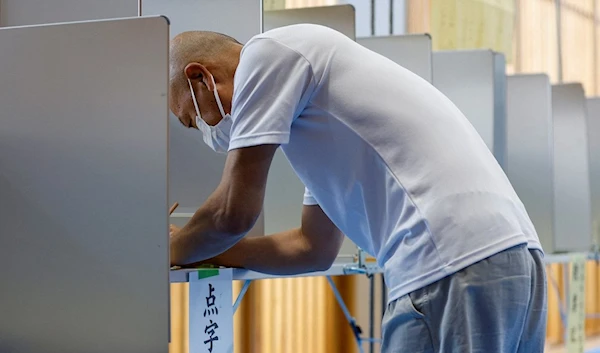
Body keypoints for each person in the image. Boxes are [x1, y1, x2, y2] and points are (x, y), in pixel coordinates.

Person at [167, 24, 547, 352]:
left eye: (191, 119)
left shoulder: (265, 56)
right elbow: (311, 248)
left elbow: (232, 213)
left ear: (201, 77)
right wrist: (209, 252)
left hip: (447, 263)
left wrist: (165, 249)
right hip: (511, 258)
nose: (203, 131)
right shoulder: (321, 115)